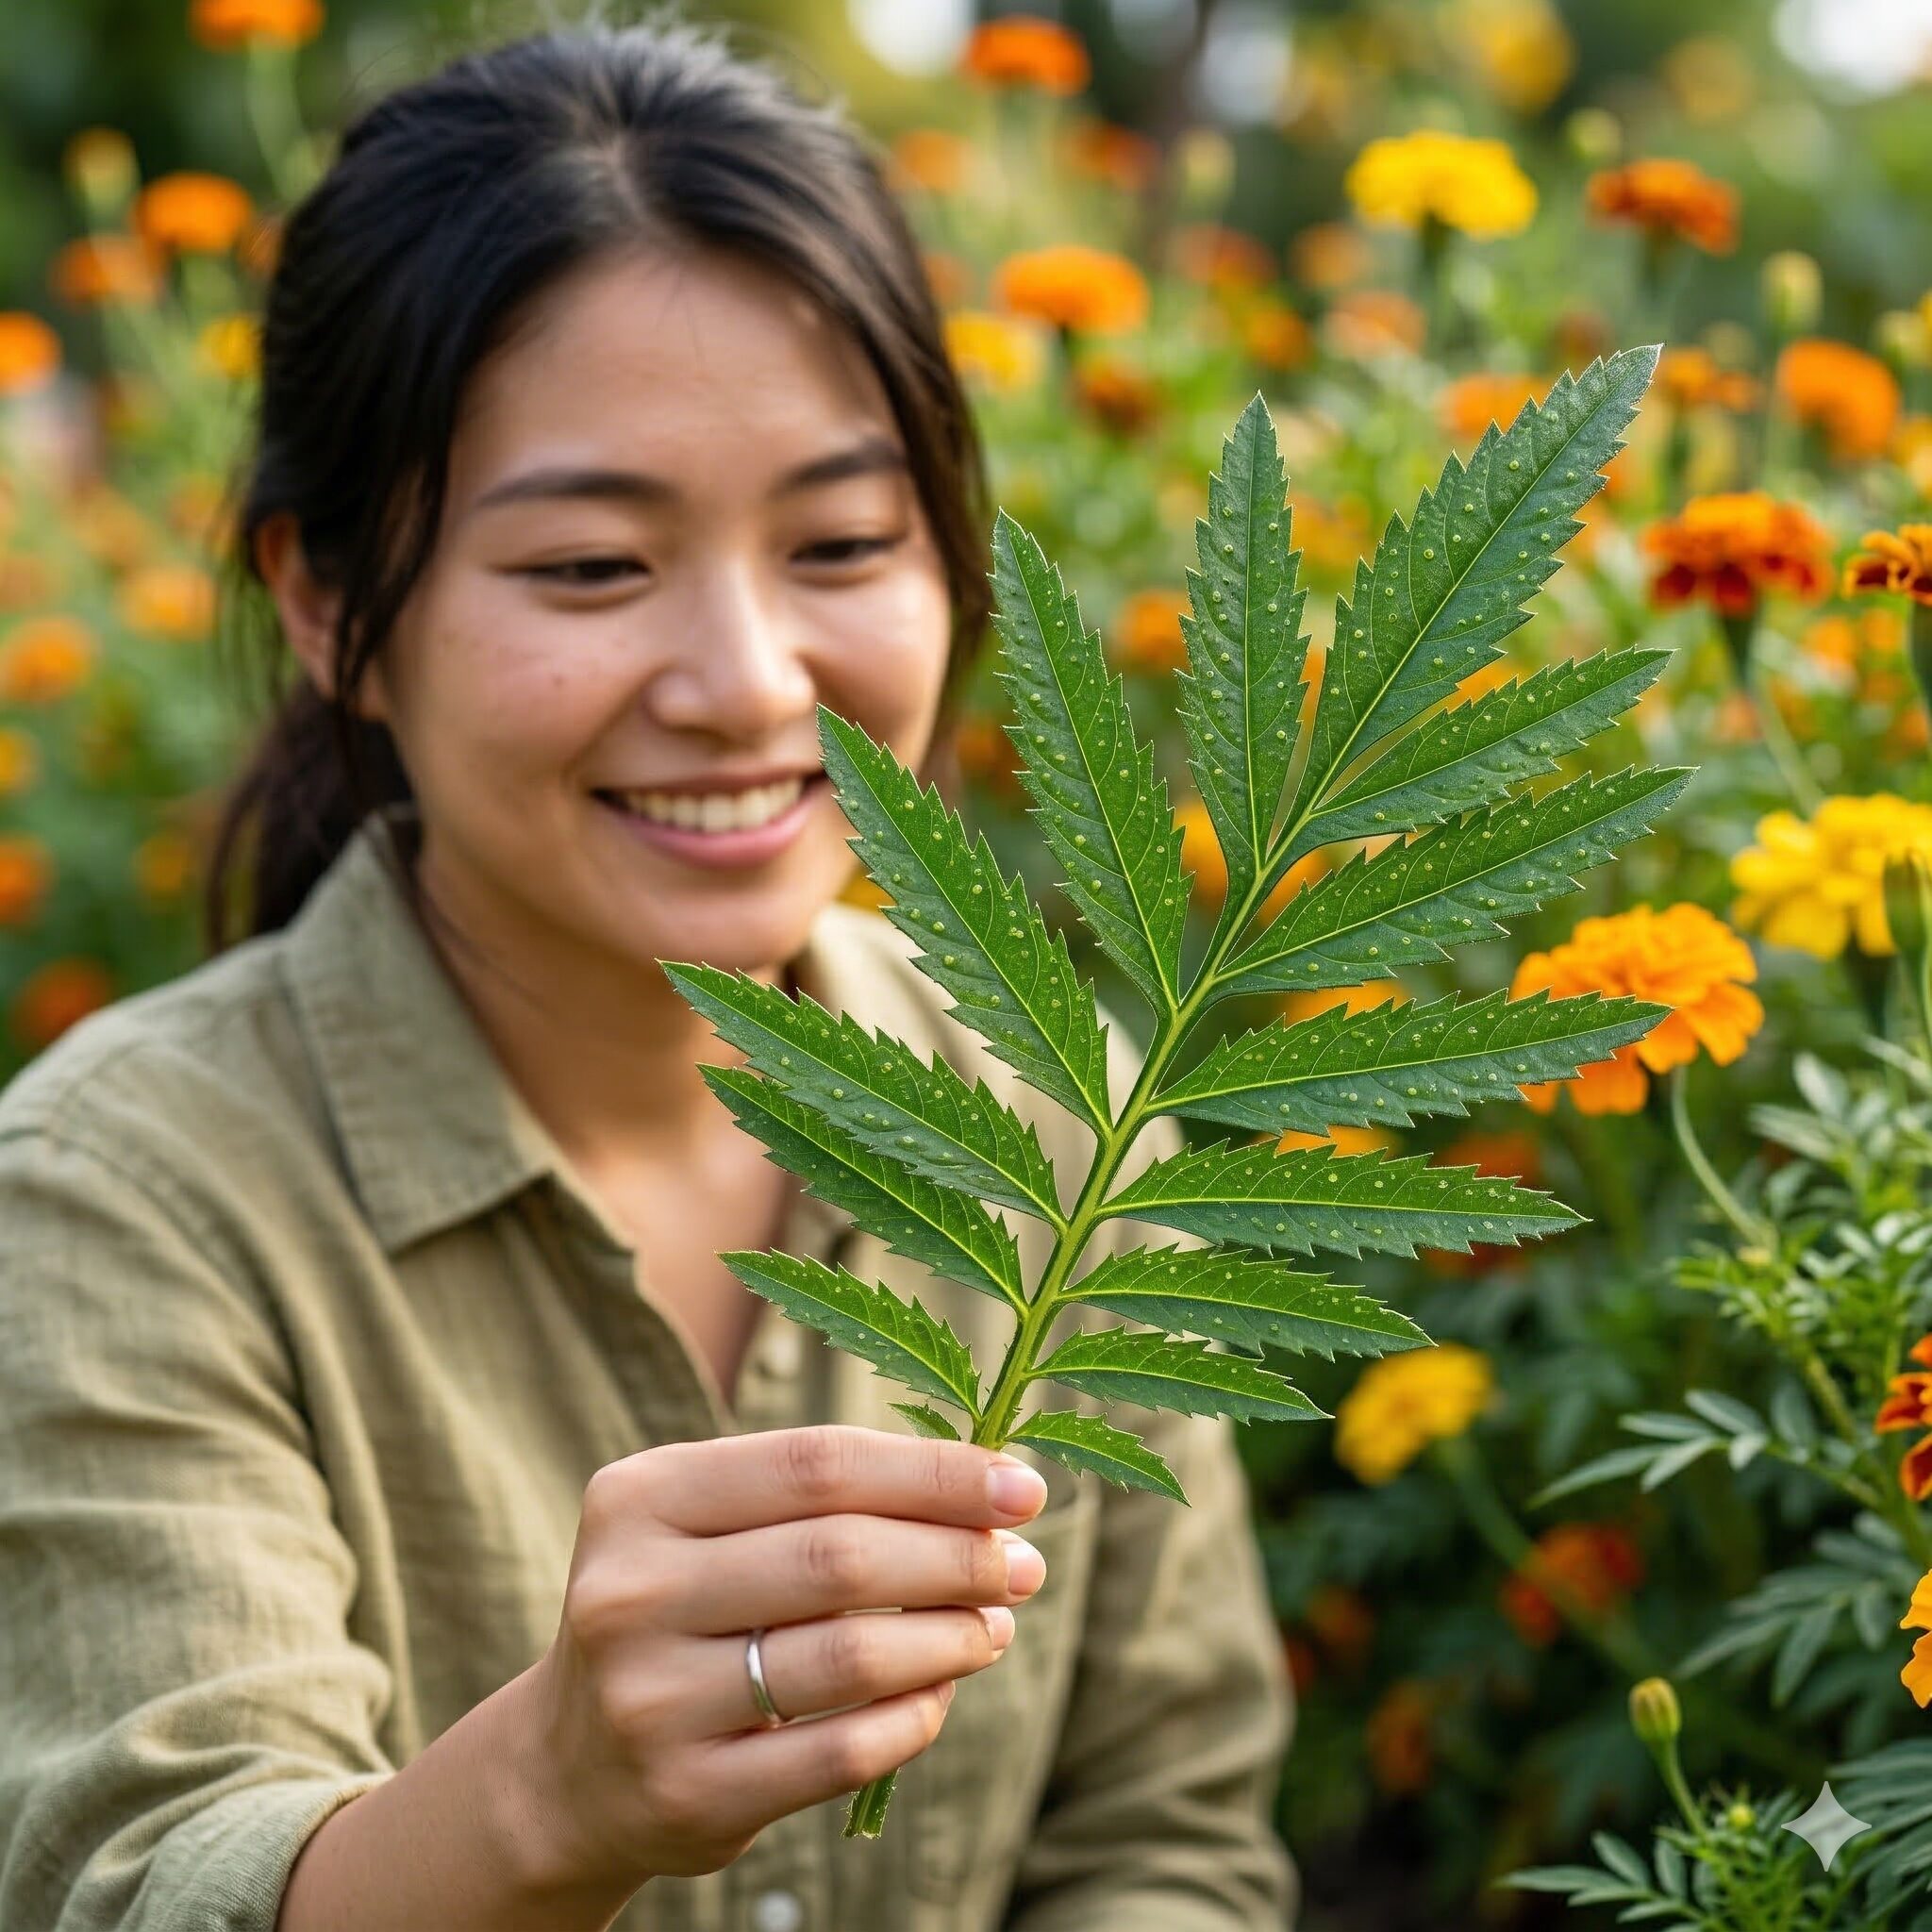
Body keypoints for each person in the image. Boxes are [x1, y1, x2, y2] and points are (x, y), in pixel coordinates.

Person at [0, 16, 1296, 1931]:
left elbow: (1167, 1846)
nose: (750, 682)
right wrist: (552, 1794)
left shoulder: (1069, 1133)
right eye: (595, 567)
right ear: (328, 602)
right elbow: (139, 1878)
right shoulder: (122, 1194)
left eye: (843, 540)